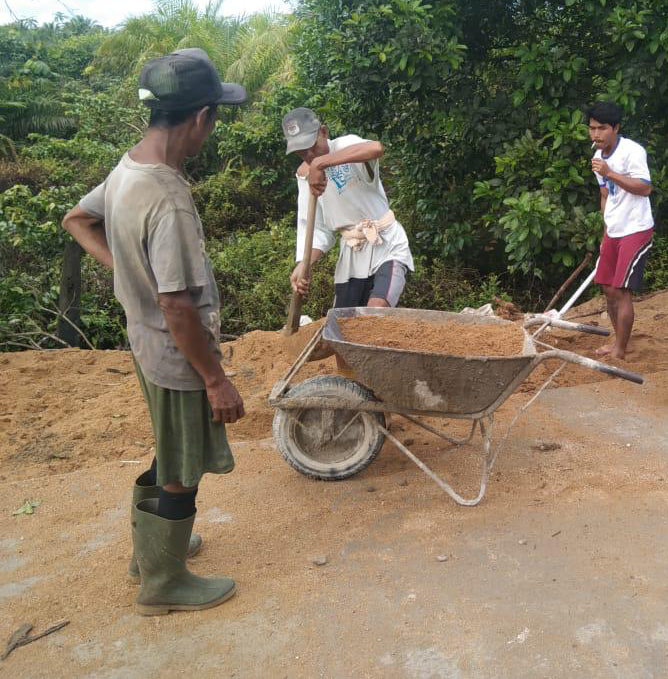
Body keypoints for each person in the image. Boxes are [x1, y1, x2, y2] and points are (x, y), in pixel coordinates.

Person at [62, 48, 246, 616]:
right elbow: (176, 304)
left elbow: (77, 219)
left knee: (170, 447)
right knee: (183, 466)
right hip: (176, 355)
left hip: (146, 347)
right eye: (213, 119)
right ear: (199, 117)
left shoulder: (128, 170)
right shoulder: (168, 196)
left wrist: (126, 270)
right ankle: (163, 583)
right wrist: (215, 379)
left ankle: (151, 554)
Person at [282, 108, 414, 317]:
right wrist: (304, 264)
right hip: (351, 257)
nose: (308, 155)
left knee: (375, 312)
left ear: (323, 132)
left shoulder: (345, 145)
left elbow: (375, 148)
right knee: (342, 326)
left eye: (311, 146)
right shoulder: (305, 176)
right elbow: (317, 229)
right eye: (301, 151)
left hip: (387, 245)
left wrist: (320, 163)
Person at [587, 101, 654, 360]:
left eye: (602, 128)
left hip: (636, 228)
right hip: (614, 229)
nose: (595, 134)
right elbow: (605, 195)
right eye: (591, 128)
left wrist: (611, 172)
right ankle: (618, 341)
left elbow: (645, 187)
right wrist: (606, 230)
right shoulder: (596, 158)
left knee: (623, 289)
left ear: (615, 128)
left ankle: (621, 350)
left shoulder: (632, 151)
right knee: (608, 289)